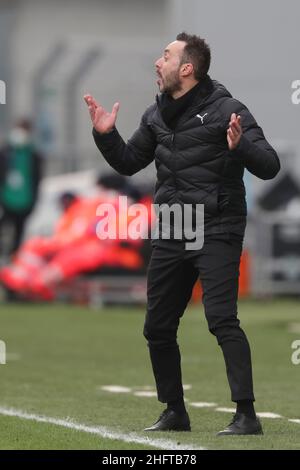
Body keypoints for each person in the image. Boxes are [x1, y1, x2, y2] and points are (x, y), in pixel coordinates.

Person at [84, 32, 280, 436]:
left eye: (166, 55)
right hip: (173, 228)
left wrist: (240, 146)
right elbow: (128, 162)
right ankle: (175, 411)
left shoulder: (228, 109)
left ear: (186, 68)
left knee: (222, 319)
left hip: (217, 226)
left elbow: (269, 166)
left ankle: (247, 415)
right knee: (157, 326)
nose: (158, 61)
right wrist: (106, 135)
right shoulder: (156, 114)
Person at [0, 119, 43, 256]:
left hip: (24, 200)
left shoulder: (33, 154)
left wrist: (34, 201)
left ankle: (14, 254)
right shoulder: (6, 151)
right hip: (6, 198)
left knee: (19, 230)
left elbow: (36, 179)